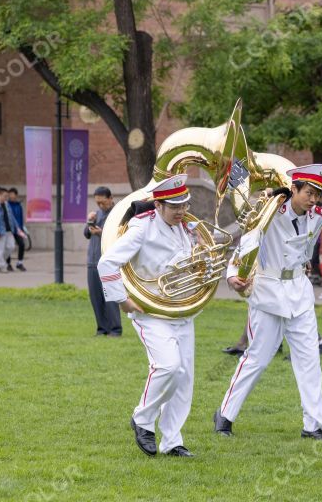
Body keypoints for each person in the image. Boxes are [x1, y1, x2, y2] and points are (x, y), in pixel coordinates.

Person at [214, 164, 322, 442]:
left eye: (318, 194)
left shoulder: (318, 215)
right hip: (268, 291)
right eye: (309, 193)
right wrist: (234, 275)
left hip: (299, 293)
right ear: (294, 189)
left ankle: (314, 426)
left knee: (309, 360)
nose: (314, 199)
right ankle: (225, 415)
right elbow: (248, 241)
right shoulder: (270, 211)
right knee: (257, 358)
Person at [98, 175, 199, 457]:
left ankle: (172, 441)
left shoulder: (186, 227)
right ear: (158, 204)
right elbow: (106, 262)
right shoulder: (142, 228)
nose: (181, 211)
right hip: (151, 312)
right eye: (174, 206)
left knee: (183, 379)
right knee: (167, 366)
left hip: (182, 309)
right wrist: (121, 299)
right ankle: (142, 419)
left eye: (184, 204)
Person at [84, 186, 122, 337]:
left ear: (110, 198)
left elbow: (118, 237)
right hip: (92, 261)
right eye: (97, 203)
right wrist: (89, 222)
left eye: (103, 202)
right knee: (96, 297)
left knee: (110, 296)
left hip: (108, 262)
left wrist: (101, 233)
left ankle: (115, 329)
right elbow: (86, 234)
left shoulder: (117, 215)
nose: (100, 206)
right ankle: (102, 328)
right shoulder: (97, 214)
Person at [0, 189, 25, 272]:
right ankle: (2, 266)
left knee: (11, 247)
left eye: (7, 196)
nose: (6, 198)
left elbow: (12, 217)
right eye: (5, 196)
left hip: (9, 230)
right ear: (0, 195)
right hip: (1, 231)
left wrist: (17, 228)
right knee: (0, 249)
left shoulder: (6, 204)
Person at [7, 188, 27, 271]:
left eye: (12, 194)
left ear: (16, 195)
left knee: (22, 244)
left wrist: (21, 229)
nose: (11, 196)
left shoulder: (19, 205)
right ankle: (8, 264)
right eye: (9, 194)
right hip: (10, 229)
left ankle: (20, 263)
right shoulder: (6, 205)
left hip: (18, 230)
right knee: (9, 247)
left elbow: (21, 218)